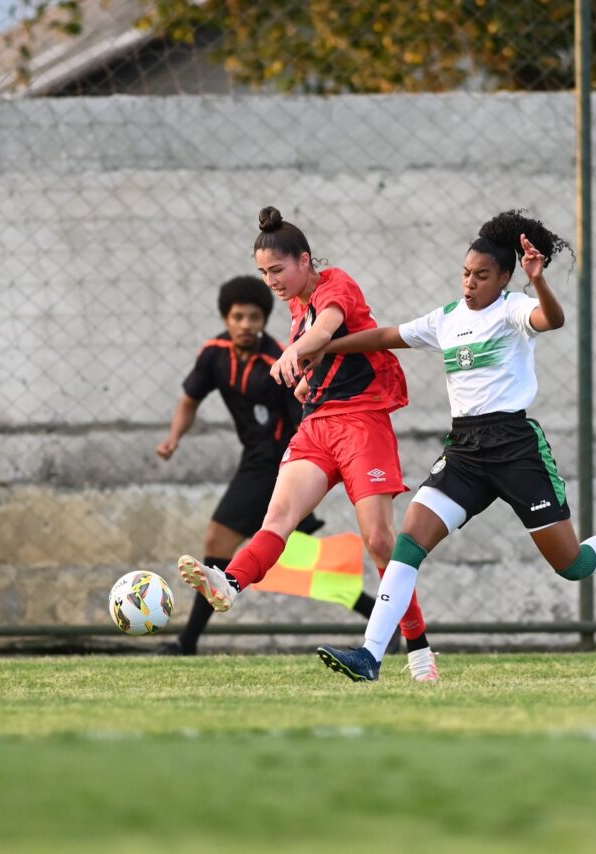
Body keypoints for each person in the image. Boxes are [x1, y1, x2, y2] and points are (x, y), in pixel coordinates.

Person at [302, 210, 596, 682]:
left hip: (515, 446)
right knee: (409, 542)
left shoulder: (514, 310)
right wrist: (322, 348)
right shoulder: (446, 320)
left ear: (504, 277)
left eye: (481, 276)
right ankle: (370, 657)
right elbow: (386, 336)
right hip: (465, 450)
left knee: (572, 564)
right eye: (465, 274)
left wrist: (538, 281)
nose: (470, 283)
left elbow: (553, 319)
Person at [176, 207, 440, 681]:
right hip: (317, 425)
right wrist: (306, 381)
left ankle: (419, 650)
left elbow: (326, 329)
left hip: (362, 423)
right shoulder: (297, 304)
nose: (272, 281)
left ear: (304, 260)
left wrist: (296, 351)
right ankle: (230, 581)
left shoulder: (335, 284)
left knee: (380, 542)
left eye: (277, 270)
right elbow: (322, 350)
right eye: (263, 273)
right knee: (277, 519)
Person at [156, 275, 375, 655]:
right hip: (252, 459)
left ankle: (187, 642)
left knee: (217, 541)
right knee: (295, 559)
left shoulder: (280, 360)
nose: (245, 325)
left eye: (254, 317)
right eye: (238, 317)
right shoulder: (213, 355)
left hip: (275, 463)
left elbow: (304, 416)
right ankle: (377, 614)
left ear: (264, 320)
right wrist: (174, 437)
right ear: (227, 319)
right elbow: (190, 399)